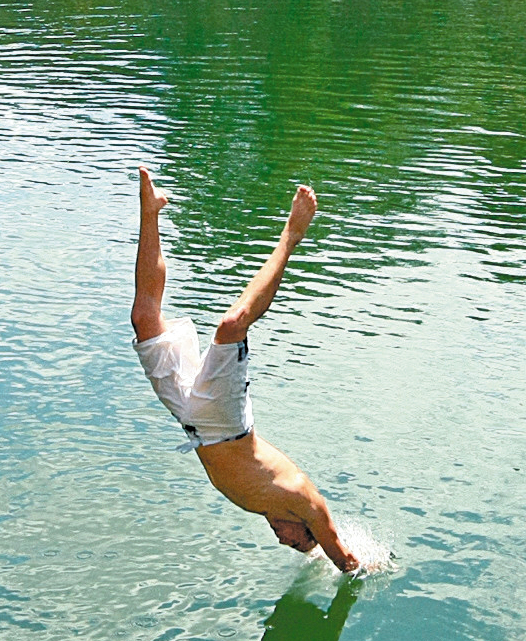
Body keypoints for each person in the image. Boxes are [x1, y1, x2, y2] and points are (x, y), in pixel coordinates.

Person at [132, 168, 360, 572]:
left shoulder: (268, 507)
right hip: (224, 423)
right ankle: (292, 234)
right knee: (232, 325)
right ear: (307, 530)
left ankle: (149, 212)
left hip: (191, 420)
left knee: (144, 319)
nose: (282, 540)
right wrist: (355, 566)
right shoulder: (308, 504)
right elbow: (344, 555)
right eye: (294, 543)